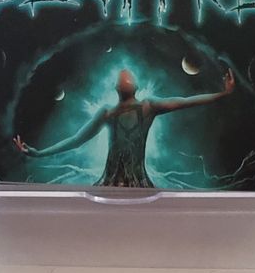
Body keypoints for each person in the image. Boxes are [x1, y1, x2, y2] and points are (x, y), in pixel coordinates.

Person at [13, 67, 235, 188]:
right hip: (111, 182)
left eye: (128, 76)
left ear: (136, 86)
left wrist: (223, 94)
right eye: (122, 78)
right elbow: (76, 140)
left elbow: (186, 101)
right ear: (116, 89)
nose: (125, 75)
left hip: (138, 182)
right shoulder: (107, 112)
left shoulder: (149, 106)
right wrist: (38, 153)